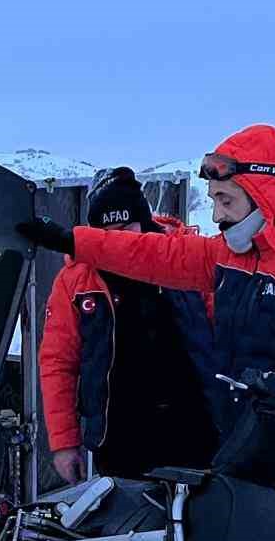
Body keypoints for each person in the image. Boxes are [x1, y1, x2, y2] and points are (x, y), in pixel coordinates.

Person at [18, 124, 275, 435]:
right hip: (243, 439)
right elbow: (150, 254)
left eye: (225, 200)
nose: (217, 215)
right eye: (214, 200)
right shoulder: (231, 252)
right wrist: (71, 241)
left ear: (263, 194)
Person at [38, 167, 219, 482]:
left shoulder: (188, 258)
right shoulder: (75, 281)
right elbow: (57, 363)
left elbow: (226, 337)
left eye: (127, 227)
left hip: (196, 428)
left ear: (144, 219)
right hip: (119, 439)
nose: (120, 241)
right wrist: (64, 444)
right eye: (109, 233)